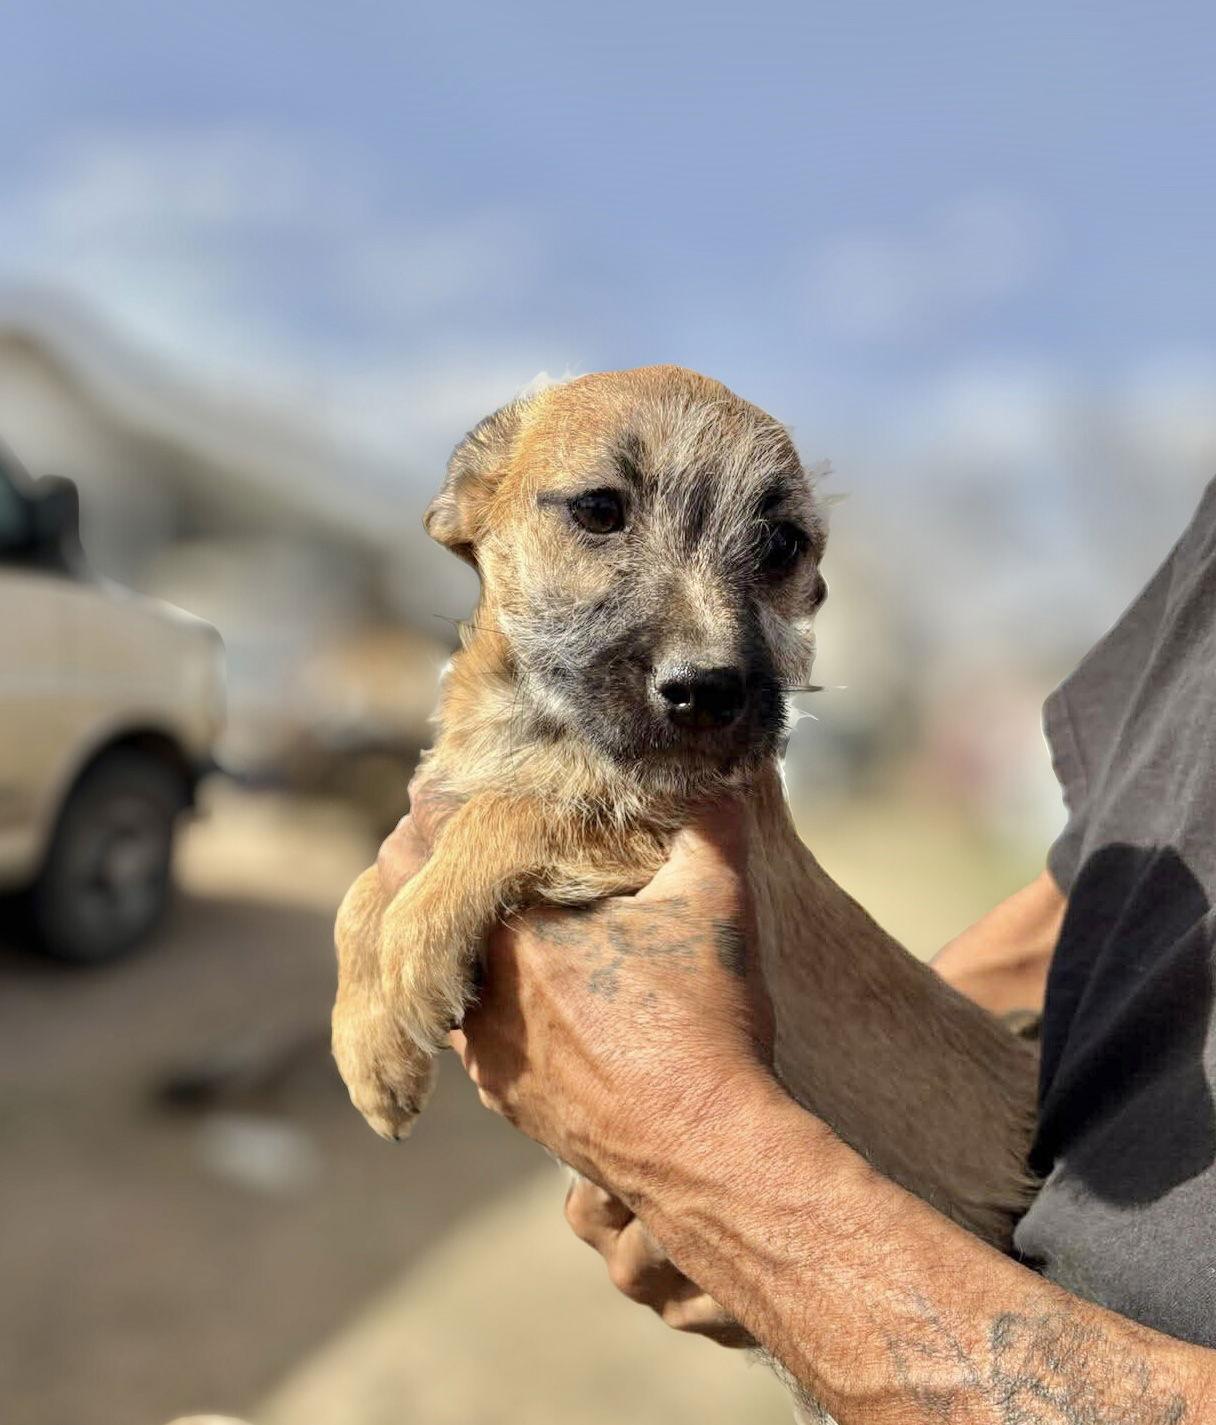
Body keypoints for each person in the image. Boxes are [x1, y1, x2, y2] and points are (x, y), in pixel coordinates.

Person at [377, 479, 1216, 1422]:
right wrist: (850, 1074)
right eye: (602, 515)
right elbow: (1118, 874)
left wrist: (728, 1180)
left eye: (774, 551)